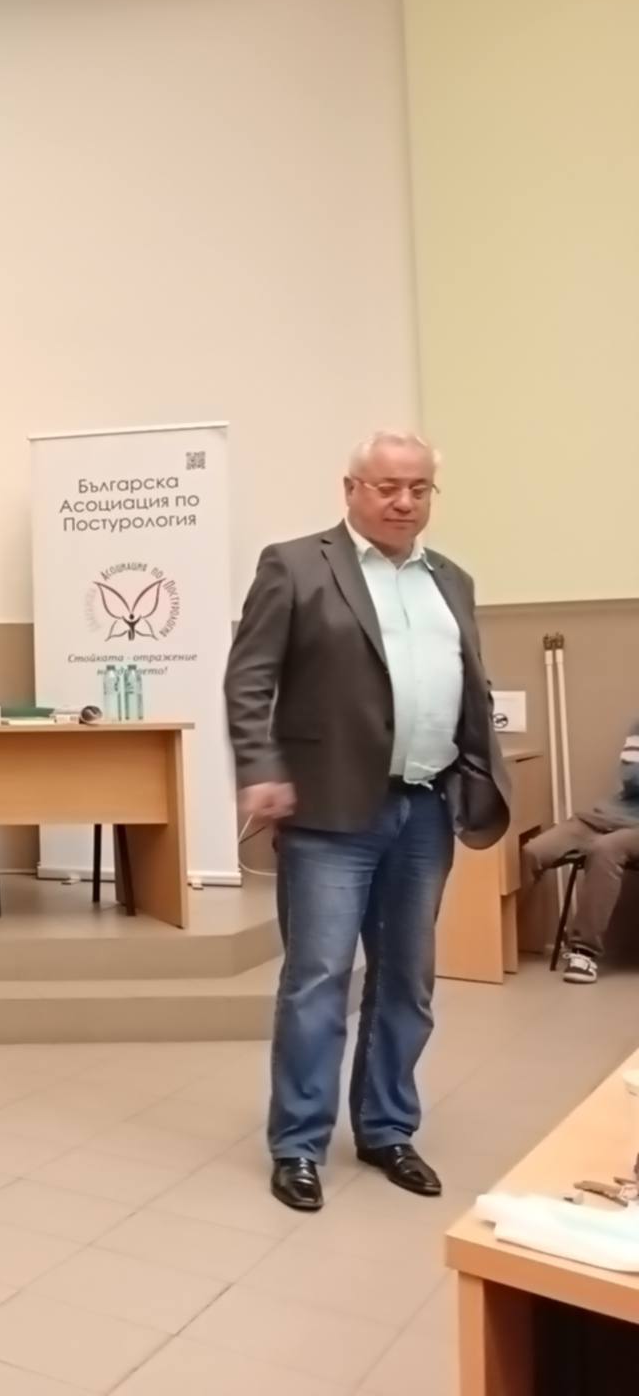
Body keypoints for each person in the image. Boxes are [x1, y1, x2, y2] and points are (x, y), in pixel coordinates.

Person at [225, 431, 509, 1213]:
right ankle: (298, 1144)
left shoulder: (451, 579)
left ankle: (386, 1129)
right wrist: (261, 768)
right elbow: (249, 678)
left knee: (408, 982)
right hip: (328, 812)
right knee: (318, 979)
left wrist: (479, 768)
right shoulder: (295, 565)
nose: (403, 501)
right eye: (387, 486)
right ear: (351, 488)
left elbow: (467, 684)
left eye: (419, 488)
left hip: (424, 809)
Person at [523, 718, 639, 984]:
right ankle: (492, 941)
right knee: (534, 851)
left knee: (605, 849)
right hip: (607, 815)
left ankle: (583, 952)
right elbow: (631, 776)